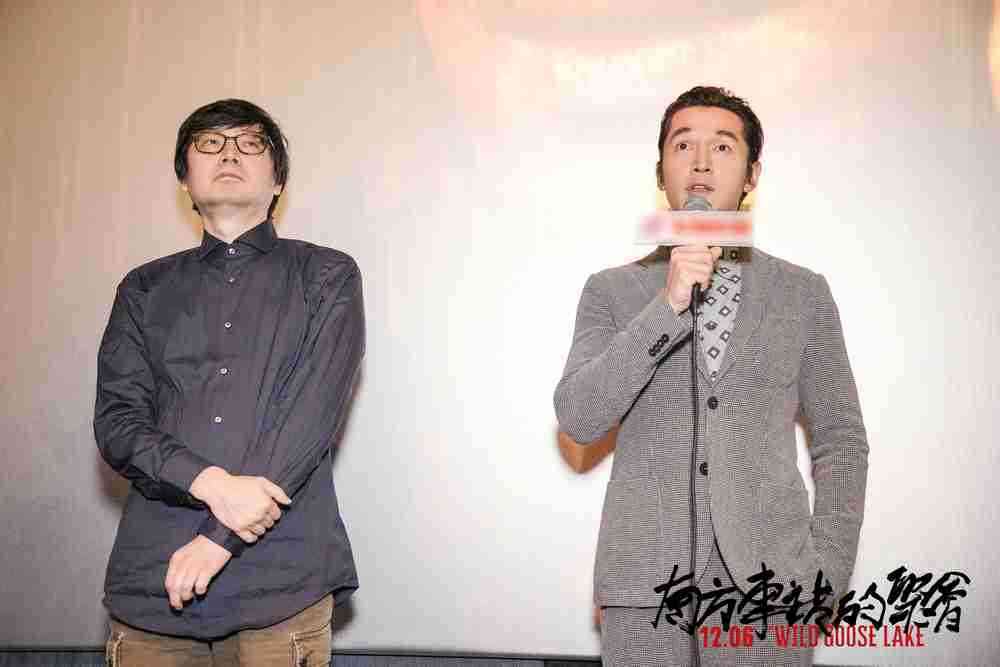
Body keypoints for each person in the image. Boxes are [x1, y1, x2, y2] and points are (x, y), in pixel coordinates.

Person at [553, 86, 868, 666]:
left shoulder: (802, 293)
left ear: (752, 174)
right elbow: (579, 417)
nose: (700, 162)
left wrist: (824, 574)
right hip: (644, 588)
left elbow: (841, 439)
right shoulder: (611, 291)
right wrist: (667, 305)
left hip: (771, 589)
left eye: (722, 147)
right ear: (661, 171)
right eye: (683, 146)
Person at [94, 99, 364, 666]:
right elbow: (118, 423)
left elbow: (308, 418)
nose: (230, 154)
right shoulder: (143, 289)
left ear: (278, 180)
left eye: (250, 143)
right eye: (210, 143)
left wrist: (217, 540)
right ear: (184, 179)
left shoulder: (327, 275)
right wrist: (211, 483)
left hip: (282, 584)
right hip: (154, 582)